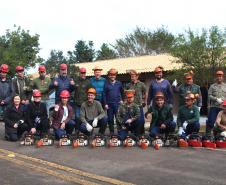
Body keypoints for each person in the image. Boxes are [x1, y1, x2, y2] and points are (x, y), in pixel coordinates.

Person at [125, 69, 146, 133]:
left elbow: (145, 93)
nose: (132, 77)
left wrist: (144, 101)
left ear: (137, 76)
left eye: (134, 76)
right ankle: (133, 132)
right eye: (131, 76)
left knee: (141, 120)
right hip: (131, 106)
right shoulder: (128, 85)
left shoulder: (141, 84)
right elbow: (125, 94)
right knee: (133, 119)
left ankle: (142, 133)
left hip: (139, 105)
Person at [103, 68, 123, 134]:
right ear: (109, 75)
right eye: (111, 75)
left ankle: (120, 132)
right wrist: (105, 104)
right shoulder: (106, 84)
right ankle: (111, 132)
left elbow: (122, 92)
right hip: (109, 105)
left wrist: (121, 100)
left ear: (115, 75)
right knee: (110, 119)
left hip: (117, 104)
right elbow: (104, 94)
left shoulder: (119, 83)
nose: (112, 76)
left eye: (114, 75)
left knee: (118, 119)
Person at [206, 70, 226, 134]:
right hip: (214, 106)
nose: (219, 77)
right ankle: (208, 136)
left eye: (220, 76)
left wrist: (223, 100)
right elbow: (209, 95)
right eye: (218, 76)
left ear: (222, 77)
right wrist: (216, 99)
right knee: (211, 121)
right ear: (216, 77)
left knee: (222, 122)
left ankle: (219, 134)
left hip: (223, 107)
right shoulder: (212, 86)